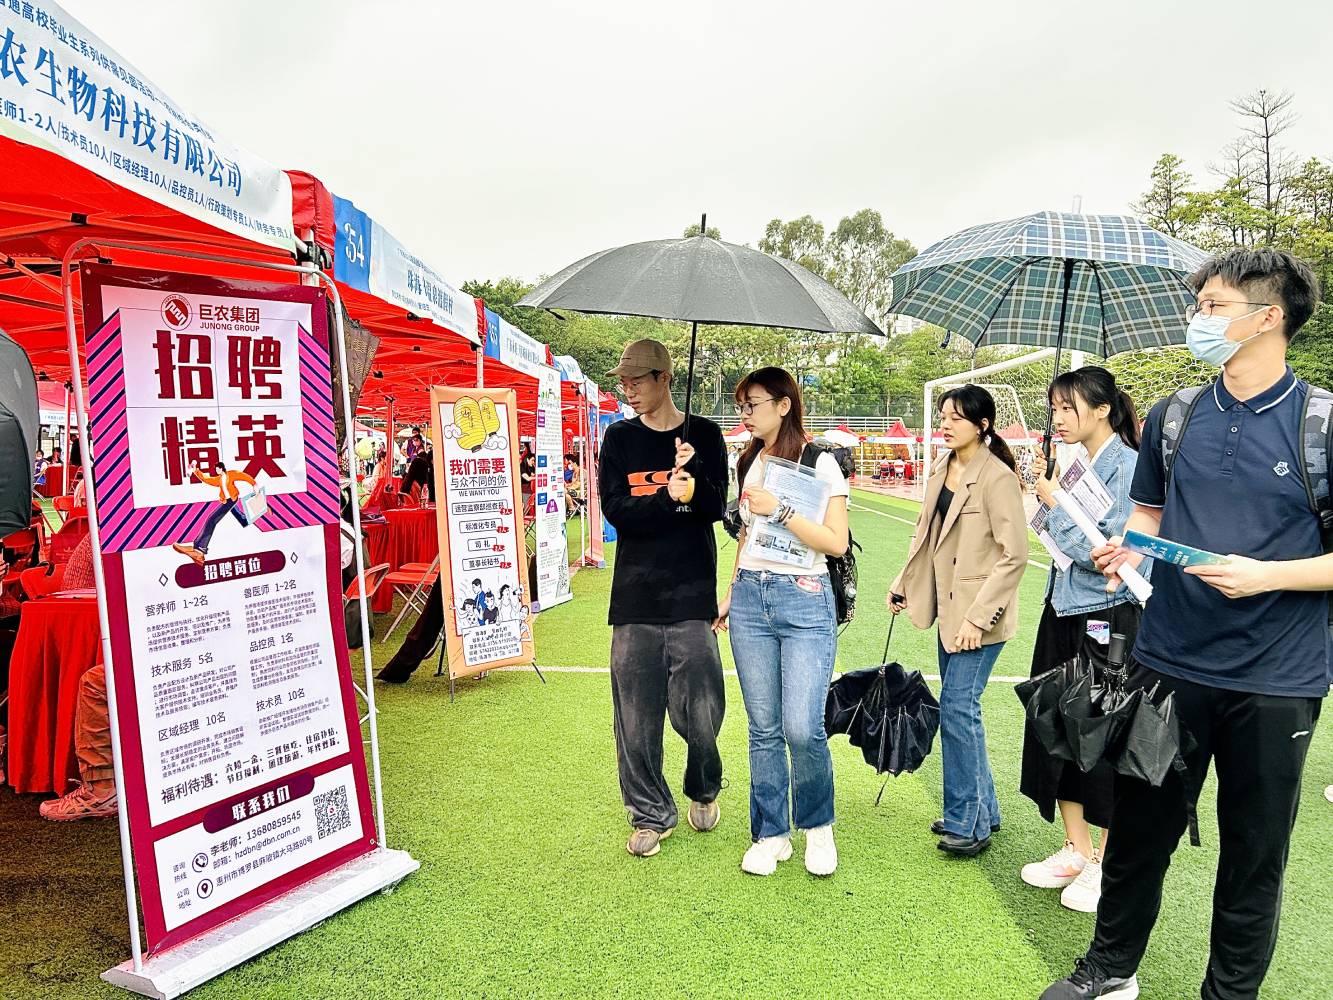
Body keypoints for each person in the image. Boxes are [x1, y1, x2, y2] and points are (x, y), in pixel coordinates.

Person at [1043, 249, 1329, 1000]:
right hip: (1167, 663)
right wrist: (1124, 543)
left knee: (1252, 854)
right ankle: (1108, 971)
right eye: (1198, 304)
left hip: (1276, 679)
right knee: (1138, 835)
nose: (1197, 319)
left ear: (1267, 317)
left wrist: (1265, 576)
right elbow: (1147, 514)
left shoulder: (1321, 422)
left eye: (1212, 305)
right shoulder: (1176, 415)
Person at [1019, 367, 1146, 913]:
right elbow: (1055, 539)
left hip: (1109, 615)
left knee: (1104, 731)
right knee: (1056, 721)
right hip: (1062, 608)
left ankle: (1105, 863)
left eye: (1067, 408)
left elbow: (1107, 548)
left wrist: (1053, 502)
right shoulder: (1076, 467)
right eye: (1054, 409)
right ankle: (1076, 847)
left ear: (1102, 410)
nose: (1058, 418)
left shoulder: (1131, 466)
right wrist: (1047, 503)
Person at [714, 367, 849, 877]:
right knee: (763, 727)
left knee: (801, 726)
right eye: (742, 405)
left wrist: (782, 510)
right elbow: (746, 538)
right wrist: (730, 593)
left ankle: (817, 827)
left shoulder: (821, 463)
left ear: (784, 405)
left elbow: (835, 541)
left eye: (753, 404)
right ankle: (771, 833)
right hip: (751, 597)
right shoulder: (748, 461)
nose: (745, 413)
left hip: (804, 598)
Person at [598, 338, 728, 858]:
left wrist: (690, 489)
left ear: (665, 378)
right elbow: (615, 509)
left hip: (692, 595)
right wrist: (662, 497)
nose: (628, 390)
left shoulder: (706, 434)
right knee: (634, 716)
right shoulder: (619, 437)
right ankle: (650, 812)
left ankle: (703, 783)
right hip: (634, 597)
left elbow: (720, 505)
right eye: (623, 381)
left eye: (637, 380)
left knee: (701, 709)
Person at [888, 385, 1028, 857]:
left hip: (979, 617)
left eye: (956, 417)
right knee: (962, 710)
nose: (945, 424)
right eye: (943, 415)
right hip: (947, 611)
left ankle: (967, 822)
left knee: (957, 708)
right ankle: (983, 809)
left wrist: (979, 617)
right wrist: (903, 583)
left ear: (982, 425)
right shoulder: (939, 470)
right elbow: (924, 536)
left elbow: (1014, 557)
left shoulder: (998, 478)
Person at [172, 461, 256, 566]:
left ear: (222, 468)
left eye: (217, 469)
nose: (216, 471)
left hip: (232, 500)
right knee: (211, 520)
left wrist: (254, 484)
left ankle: (199, 551)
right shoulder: (219, 479)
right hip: (226, 501)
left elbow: (244, 476)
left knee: (212, 520)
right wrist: (195, 470)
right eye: (216, 469)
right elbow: (207, 479)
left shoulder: (232, 474)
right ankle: (198, 548)